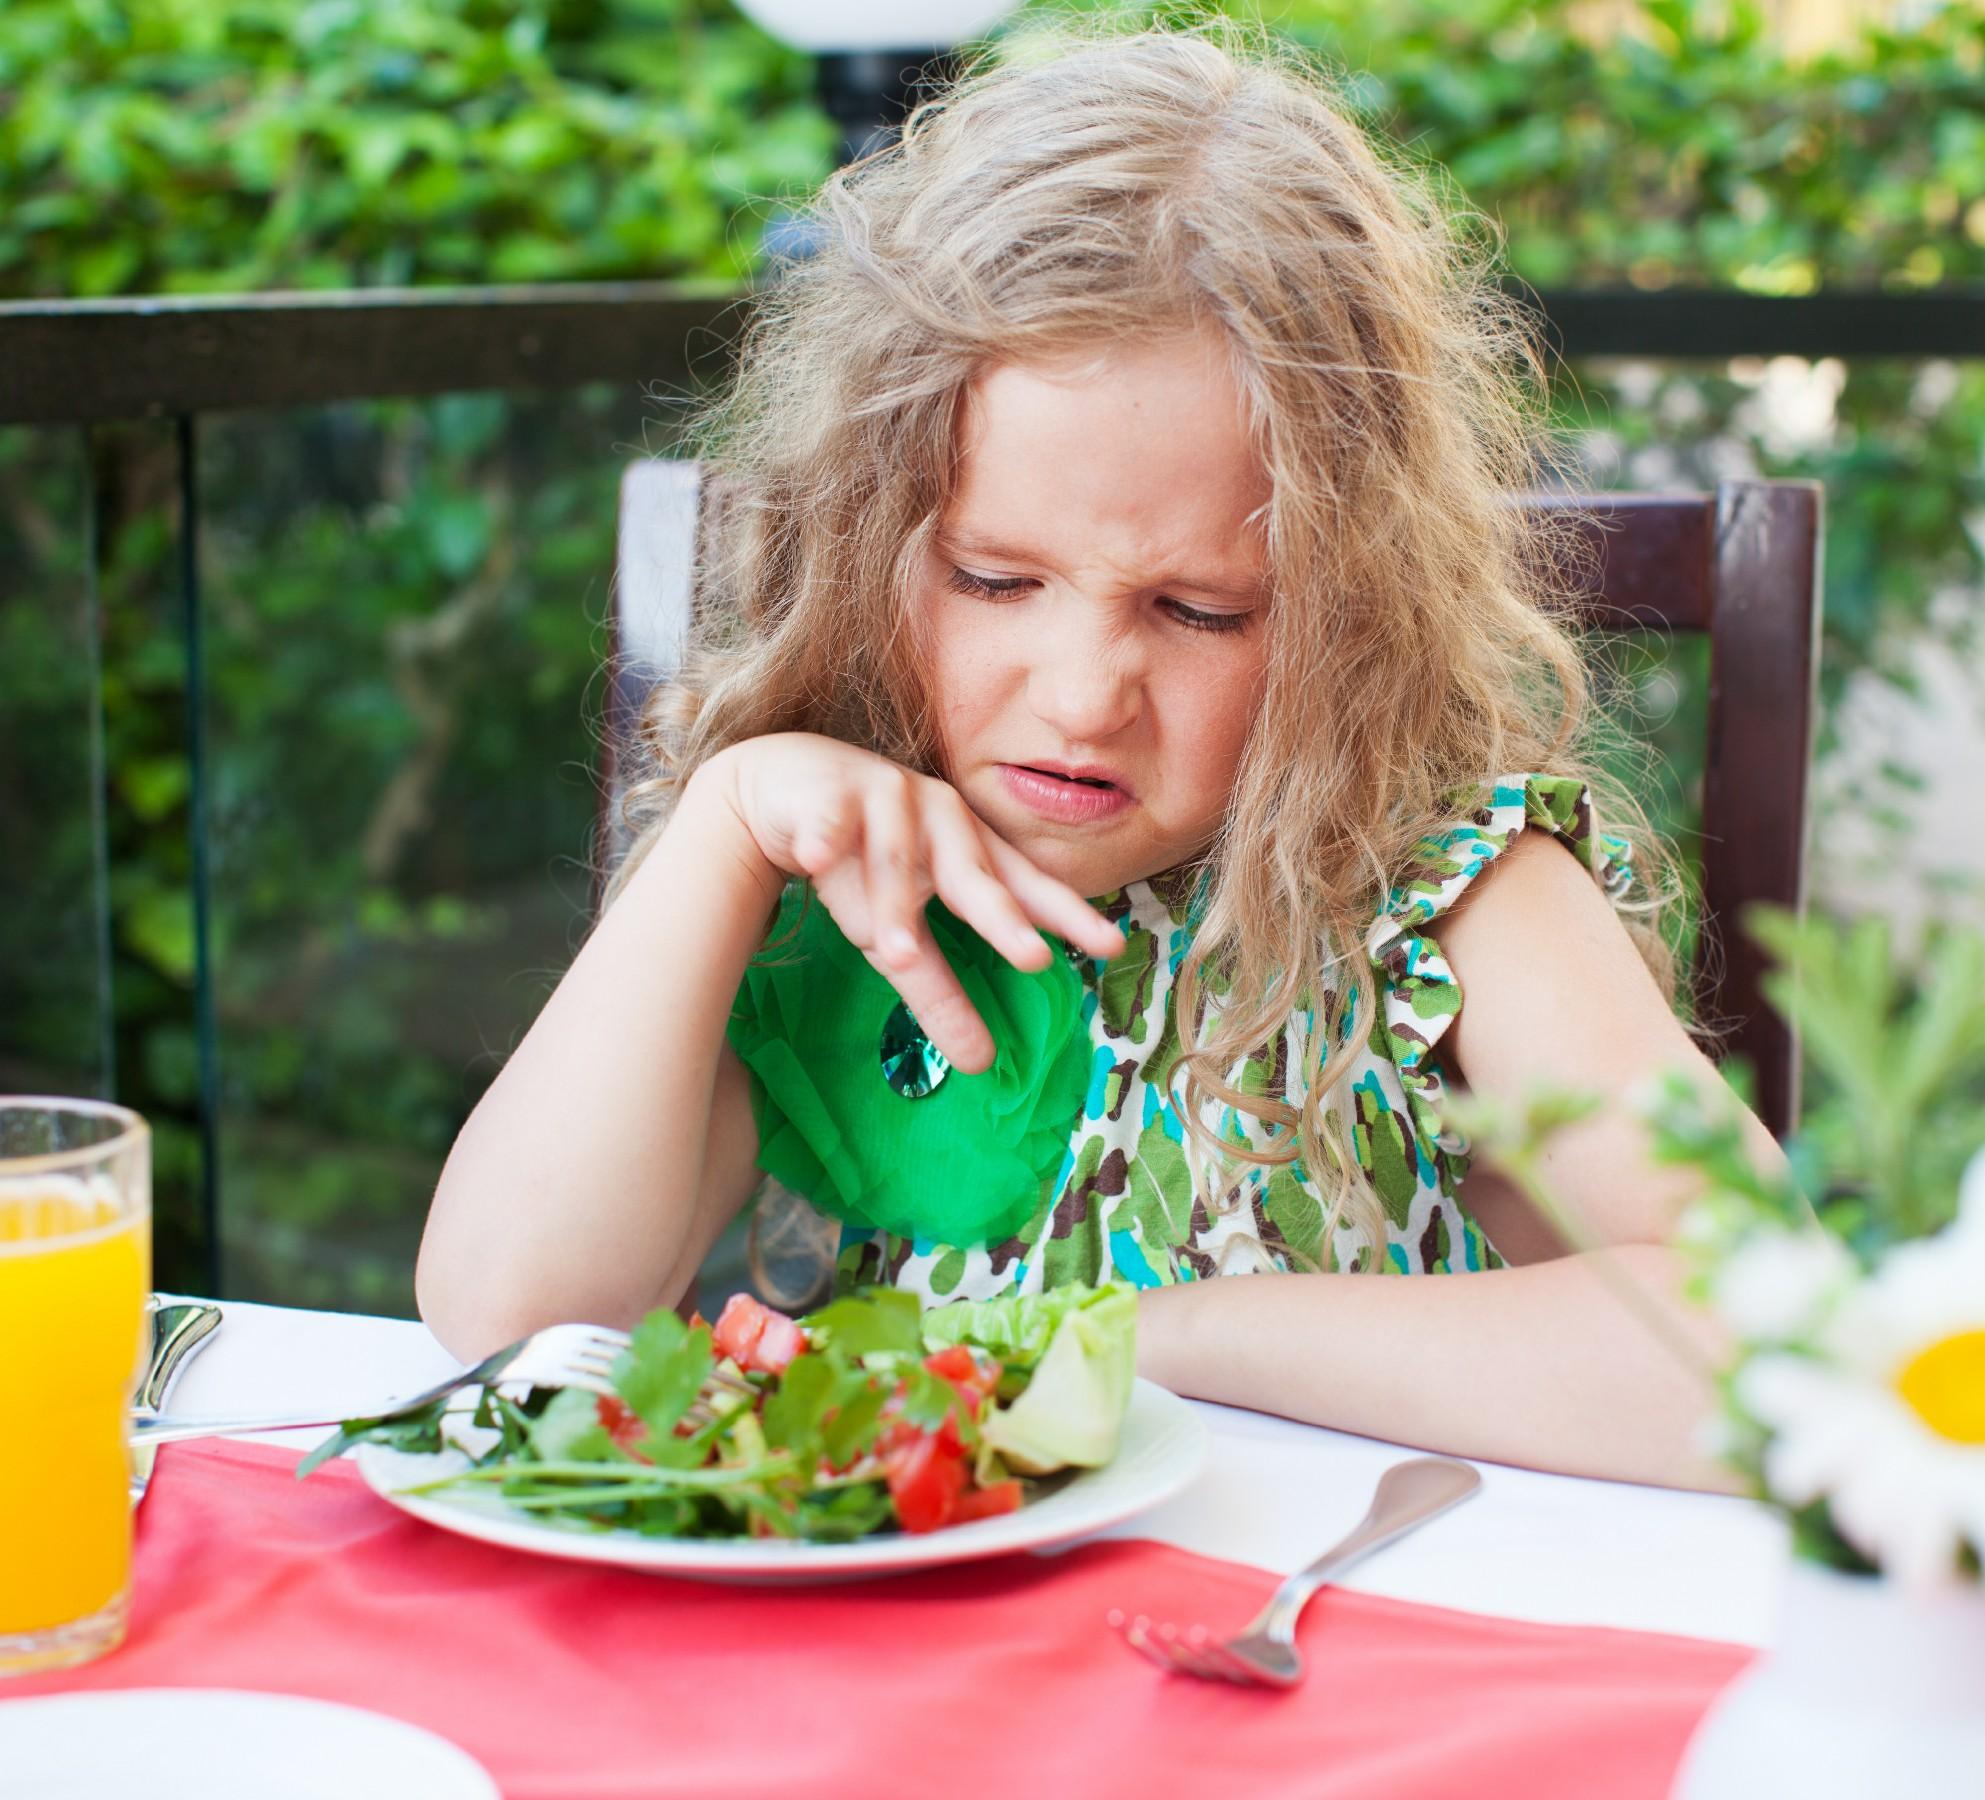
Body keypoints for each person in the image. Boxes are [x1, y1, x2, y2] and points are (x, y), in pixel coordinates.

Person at [417, 25, 1782, 1490]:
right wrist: (723, 832)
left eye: (1198, 611)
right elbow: (510, 1319)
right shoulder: (838, 890)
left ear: (1350, 609)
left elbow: (1772, 1360)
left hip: (1315, 1662)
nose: (1080, 699)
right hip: (923, 1682)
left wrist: (1174, 1339)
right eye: (995, 581)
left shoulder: (1444, 898)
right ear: (868, 548)